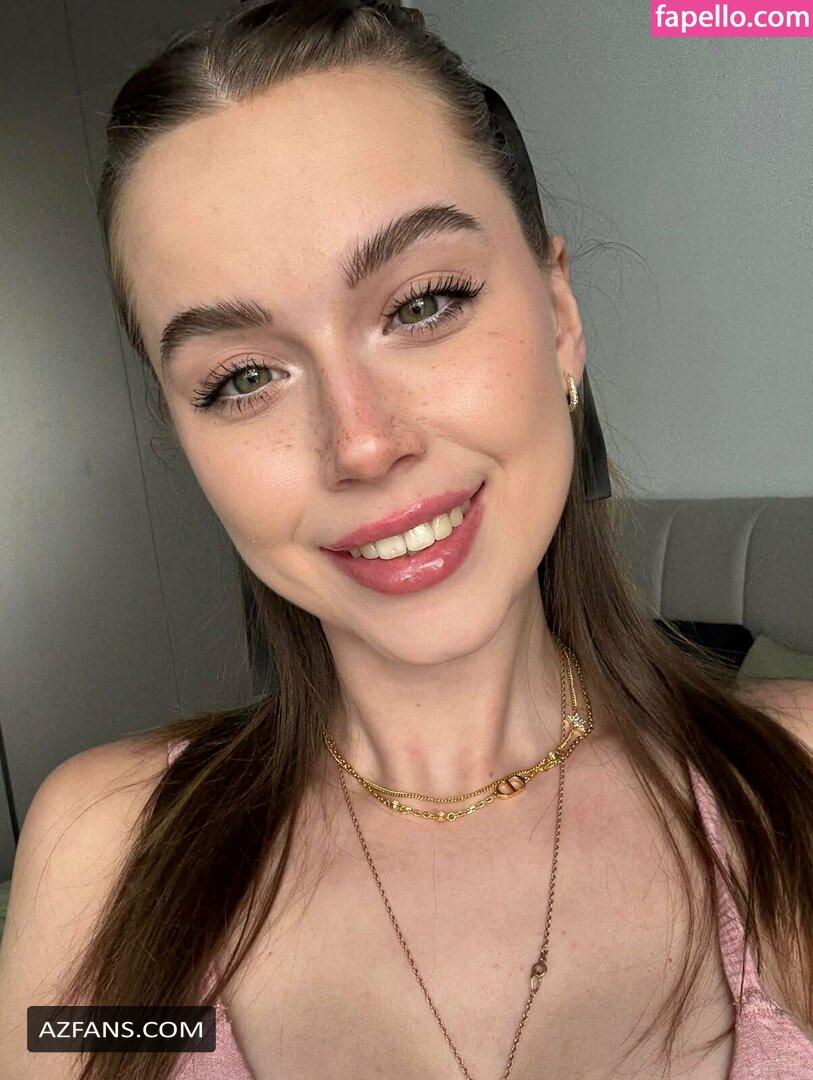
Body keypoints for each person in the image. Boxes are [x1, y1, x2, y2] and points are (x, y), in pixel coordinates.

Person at [0, 2, 811, 1078]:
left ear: (561, 318)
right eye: (243, 377)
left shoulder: (796, 781)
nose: (363, 443)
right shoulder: (106, 850)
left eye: (424, 304)